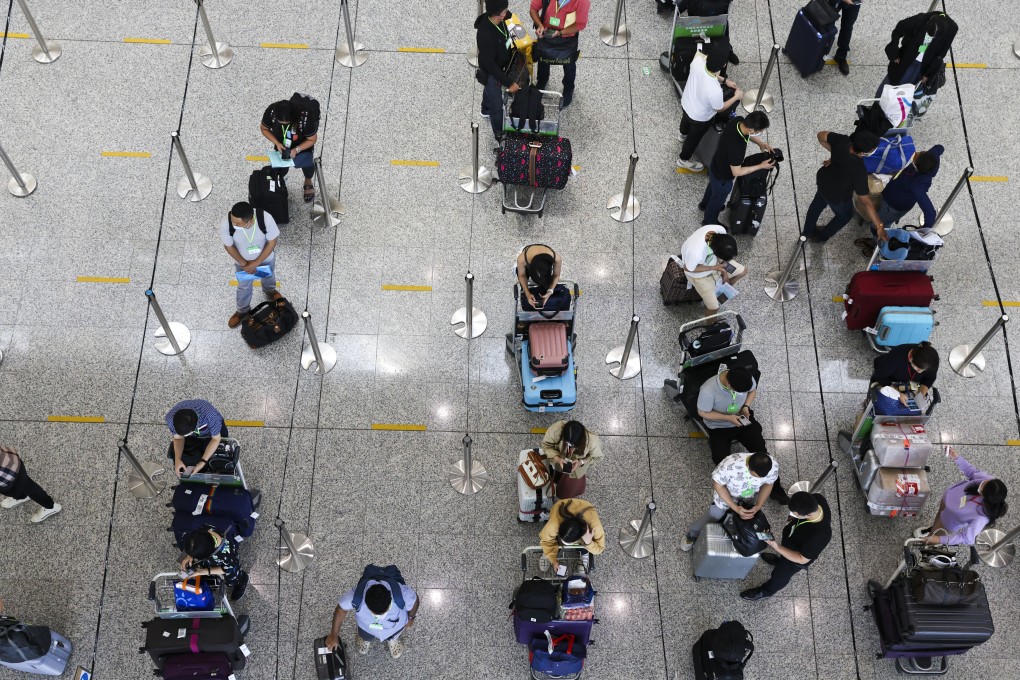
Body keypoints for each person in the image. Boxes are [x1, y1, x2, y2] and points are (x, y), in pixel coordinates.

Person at [680, 452, 781, 551]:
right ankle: (692, 535)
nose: (759, 479)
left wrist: (758, 505)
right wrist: (735, 507)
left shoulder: (773, 466)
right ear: (747, 465)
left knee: (742, 521)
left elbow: (768, 484)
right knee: (714, 515)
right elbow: (718, 485)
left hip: (749, 498)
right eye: (755, 476)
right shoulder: (730, 464)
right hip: (725, 498)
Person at [740, 491, 832, 600]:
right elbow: (794, 515)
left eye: (795, 513)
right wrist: (790, 520)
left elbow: (802, 559)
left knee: (780, 575)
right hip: (791, 539)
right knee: (782, 558)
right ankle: (779, 560)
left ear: (807, 515)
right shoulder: (817, 498)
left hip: (795, 558)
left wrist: (776, 546)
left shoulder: (821, 535)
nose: (792, 514)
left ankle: (765, 592)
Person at [855, 146, 944, 253]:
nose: (917, 153)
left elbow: (930, 213)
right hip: (892, 194)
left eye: (918, 155)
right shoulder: (930, 158)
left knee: (878, 225)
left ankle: (876, 244)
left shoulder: (917, 186)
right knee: (879, 217)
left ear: (917, 167)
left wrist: (924, 231)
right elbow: (939, 147)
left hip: (893, 207)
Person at [802, 130, 885, 244]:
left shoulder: (842, 141)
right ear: (867, 151)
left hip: (823, 181)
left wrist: (835, 156)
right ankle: (821, 237)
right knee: (844, 216)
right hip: (837, 195)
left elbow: (820, 135)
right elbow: (865, 201)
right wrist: (879, 226)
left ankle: (808, 231)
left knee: (816, 205)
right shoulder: (859, 169)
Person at [914, 447, 1008, 545]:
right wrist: (957, 458)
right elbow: (972, 472)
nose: (982, 482)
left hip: (949, 521)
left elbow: (966, 538)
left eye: (983, 486)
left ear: (986, 497)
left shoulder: (982, 517)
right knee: (938, 517)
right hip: (947, 502)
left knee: (935, 534)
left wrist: (938, 539)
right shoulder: (989, 482)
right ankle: (932, 528)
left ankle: (931, 537)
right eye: (985, 482)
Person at [324, 566, 420, 659]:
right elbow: (341, 610)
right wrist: (334, 635)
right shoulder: (357, 597)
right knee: (365, 635)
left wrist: (411, 618)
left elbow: (415, 601)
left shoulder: (402, 594)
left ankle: (393, 640)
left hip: (394, 627)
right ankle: (365, 639)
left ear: (390, 599)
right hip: (366, 627)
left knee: (394, 634)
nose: (379, 616)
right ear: (366, 601)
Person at [676, 43, 743, 172]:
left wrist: (725, 80)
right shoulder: (715, 90)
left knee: (685, 121)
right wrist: (736, 97)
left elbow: (708, 71)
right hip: (699, 118)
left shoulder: (697, 60)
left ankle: (682, 135)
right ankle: (683, 160)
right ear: (724, 65)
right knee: (693, 140)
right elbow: (720, 108)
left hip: (686, 103)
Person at [700, 111, 774, 225]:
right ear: (752, 130)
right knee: (718, 199)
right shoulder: (737, 148)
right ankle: (709, 221)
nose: (761, 133)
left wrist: (760, 143)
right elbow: (737, 172)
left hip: (716, 164)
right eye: (759, 131)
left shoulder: (738, 120)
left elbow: (747, 134)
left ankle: (704, 205)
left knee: (712, 187)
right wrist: (761, 166)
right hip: (723, 178)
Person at [220, 201, 282, 329]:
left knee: (269, 276)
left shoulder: (265, 219)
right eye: (232, 221)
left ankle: (270, 292)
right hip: (242, 263)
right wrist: (245, 264)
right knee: (243, 286)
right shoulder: (226, 224)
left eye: (237, 224)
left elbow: (272, 242)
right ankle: (242, 310)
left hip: (265, 258)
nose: (233, 224)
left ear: (250, 221)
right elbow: (228, 247)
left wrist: (255, 263)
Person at [697, 367, 770, 468]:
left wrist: (746, 406)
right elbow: (702, 412)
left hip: (741, 418)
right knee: (721, 460)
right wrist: (728, 418)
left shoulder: (745, 377)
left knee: (761, 450)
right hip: (719, 426)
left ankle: (770, 478)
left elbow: (752, 391)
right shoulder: (707, 391)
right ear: (729, 385)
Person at [878, 12, 958, 95]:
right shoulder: (921, 19)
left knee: (904, 92)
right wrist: (893, 50)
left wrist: (928, 74)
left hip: (922, 67)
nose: (931, 38)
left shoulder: (952, 29)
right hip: (906, 58)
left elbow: (941, 54)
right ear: (928, 22)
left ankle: (895, 102)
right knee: (890, 84)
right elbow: (900, 28)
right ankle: (879, 101)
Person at [476, 0, 522, 143]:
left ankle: (485, 109)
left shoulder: (501, 17)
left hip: (502, 63)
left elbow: (510, 17)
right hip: (492, 72)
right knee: (496, 106)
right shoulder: (485, 35)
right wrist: (509, 83)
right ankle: (499, 133)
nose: (507, 12)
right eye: (504, 10)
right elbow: (490, 66)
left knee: (489, 92)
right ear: (497, 15)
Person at [530, 0, 589, 108]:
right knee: (543, 57)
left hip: (568, 38)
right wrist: (539, 25)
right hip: (546, 33)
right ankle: (542, 79)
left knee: (569, 63)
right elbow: (533, 9)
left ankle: (569, 87)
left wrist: (561, 33)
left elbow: (580, 24)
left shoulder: (582, 1)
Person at [260, 97, 320, 202]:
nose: (283, 124)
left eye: (286, 123)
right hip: (282, 142)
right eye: (280, 123)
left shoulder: (305, 118)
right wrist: (277, 143)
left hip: (302, 143)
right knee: (280, 167)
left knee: (307, 164)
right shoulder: (271, 111)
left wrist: (297, 149)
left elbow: (312, 139)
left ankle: (308, 180)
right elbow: (264, 128)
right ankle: (279, 182)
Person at [679, 227, 747, 316]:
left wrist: (724, 273)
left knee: (743, 271)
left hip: (718, 263)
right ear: (714, 251)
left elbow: (722, 257)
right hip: (699, 276)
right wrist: (714, 267)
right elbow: (687, 268)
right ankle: (712, 323)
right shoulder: (696, 252)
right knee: (714, 308)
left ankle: (725, 286)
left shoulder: (720, 231)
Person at [181, 528, 249, 601]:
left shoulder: (227, 553)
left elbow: (226, 569)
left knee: (232, 578)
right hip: (212, 560)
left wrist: (203, 571)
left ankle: (242, 580)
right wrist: (189, 555)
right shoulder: (203, 534)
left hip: (228, 565)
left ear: (209, 554)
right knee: (206, 574)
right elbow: (195, 542)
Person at [540, 420, 603, 498]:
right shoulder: (556, 429)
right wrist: (558, 459)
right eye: (567, 443)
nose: (570, 447)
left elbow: (597, 457)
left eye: (574, 446)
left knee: (568, 490)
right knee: (556, 477)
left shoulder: (592, 441)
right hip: (558, 463)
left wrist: (581, 462)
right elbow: (546, 445)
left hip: (577, 469)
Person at [539, 499, 605, 573]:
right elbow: (546, 540)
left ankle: (584, 552)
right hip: (559, 506)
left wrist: (589, 542)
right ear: (559, 528)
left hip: (587, 511)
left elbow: (600, 549)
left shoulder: (594, 526)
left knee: (588, 542)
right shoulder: (554, 524)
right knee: (551, 539)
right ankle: (548, 553)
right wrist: (552, 559)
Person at [166, 399, 228, 477]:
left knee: (221, 454)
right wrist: (177, 459)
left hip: (214, 432)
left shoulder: (210, 416)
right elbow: (178, 438)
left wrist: (202, 462)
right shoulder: (170, 419)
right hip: (194, 432)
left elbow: (216, 439)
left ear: (196, 427)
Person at [0, 445, 61, 523]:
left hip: (6, 474)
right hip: (10, 459)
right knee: (24, 484)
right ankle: (23, 496)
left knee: (25, 486)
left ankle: (50, 506)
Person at [870, 341, 939, 399]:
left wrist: (921, 395)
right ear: (911, 359)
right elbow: (880, 376)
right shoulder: (896, 357)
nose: (920, 372)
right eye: (918, 369)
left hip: (910, 384)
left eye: (923, 370)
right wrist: (898, 394)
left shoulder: (931, 361)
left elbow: (929, 378)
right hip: (890, 381)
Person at [516, 243, 563, 309]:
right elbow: (521, 275)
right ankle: (524, 291)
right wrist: (527, 293)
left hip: (545, 260)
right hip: (528, 257)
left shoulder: (557, 258)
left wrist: (550, 291)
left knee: (546, 284)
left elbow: (556, 275)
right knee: (522, 278)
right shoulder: (522, 258)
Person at [829, 0, 862, 76]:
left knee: (847, 28)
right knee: (826, 21)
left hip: (854, 2)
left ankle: (841, 56)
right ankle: (818, 52)